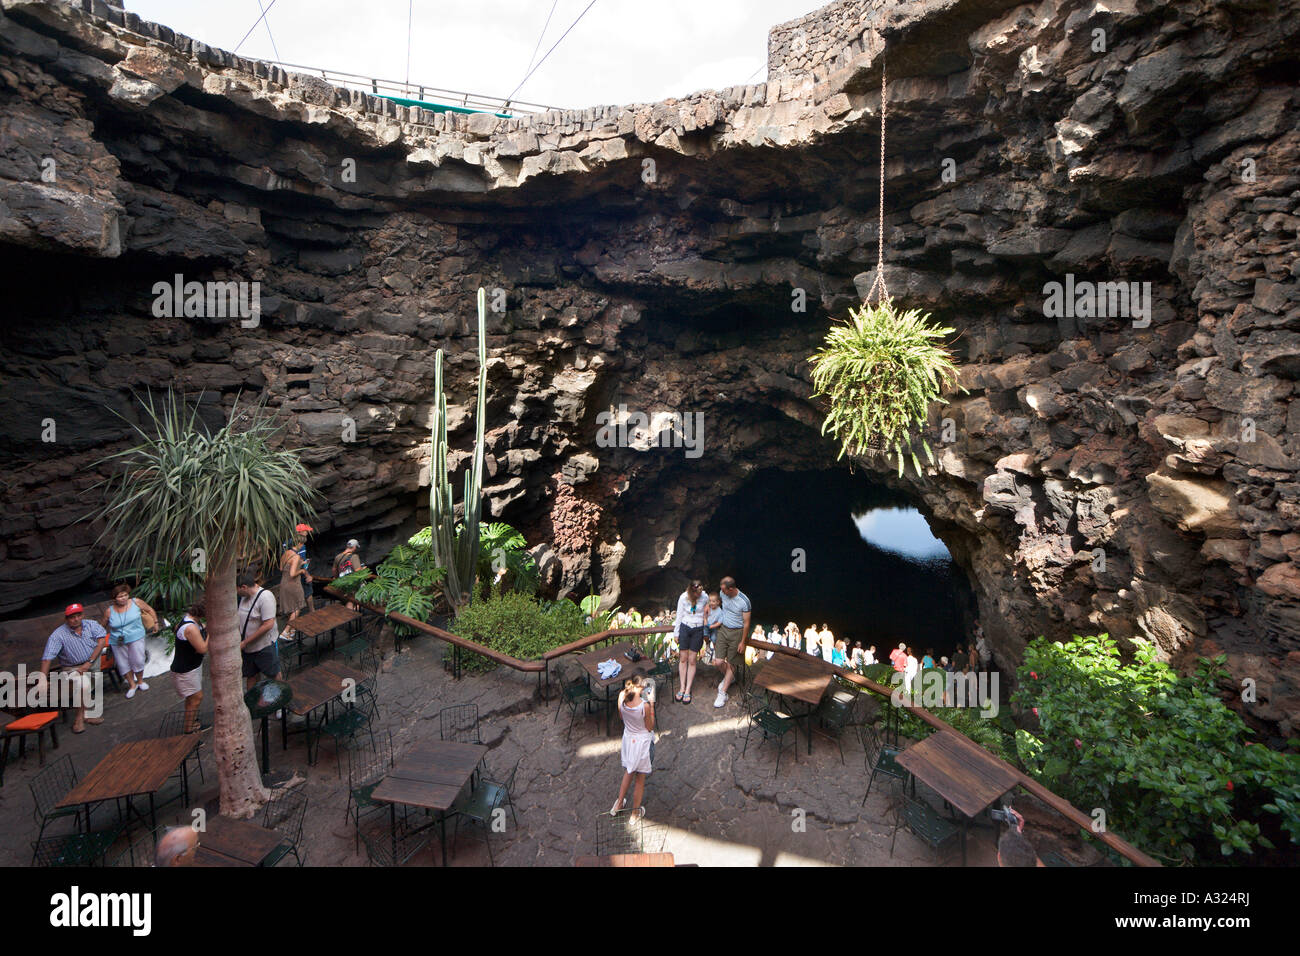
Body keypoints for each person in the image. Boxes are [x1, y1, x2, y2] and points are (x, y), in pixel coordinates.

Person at [40, 604, 109, 734]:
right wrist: (42, 678)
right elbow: (47, 657)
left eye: (78, 615)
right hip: (72, 667)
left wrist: (89, 663)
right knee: (83, 685)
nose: (76, 619)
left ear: (82, 615)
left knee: (90, 686)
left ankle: (88, 714)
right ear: (67, 619)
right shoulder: (58, 635)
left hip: (92, 662)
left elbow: (101, 642)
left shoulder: (91, 624)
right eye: (72, 617)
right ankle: (79, 718)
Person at [100, 584, 157, 699]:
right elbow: (103, 625)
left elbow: (149, 609)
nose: (124, 598)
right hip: (118, 640)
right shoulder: (109, 611)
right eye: (120, 596)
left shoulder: (136, 602)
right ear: (114, 598)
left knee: (138, 659)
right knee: (123, 663)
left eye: (125, 595)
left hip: (136, 636)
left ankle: (140, 681)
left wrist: (155, 622)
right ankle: (132, 685)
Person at [611, 675, 656, 815]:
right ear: (642, 685)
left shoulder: (621, 696)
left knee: (629, 771)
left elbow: (621, 716)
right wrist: (652, 705)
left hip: (629, 740)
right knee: (640, 779)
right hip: (642, 743)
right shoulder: (645, 706)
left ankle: (618, 804)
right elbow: (649, 727)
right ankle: (635, 814)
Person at [236, 572, 280, 690]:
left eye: (237, 590)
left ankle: (279, 702)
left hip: (263, 646)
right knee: (251, 675)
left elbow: (268, 624)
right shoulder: (243, 598)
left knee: (273, 674)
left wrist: (245, 642)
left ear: (244, 587)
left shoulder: (265, 597)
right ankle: (253, 703)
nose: (236, 593)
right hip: (248, 648)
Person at [713, 576, 751, 708]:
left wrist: (743, 642)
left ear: (731, 589)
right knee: (718, 661)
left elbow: (746, 624)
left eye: (724, 590)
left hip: (737, 632)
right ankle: (731, 678)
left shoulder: (744, 601)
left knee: (732, 664)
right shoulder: (722, 594)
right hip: (723, 630)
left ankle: (723, 693)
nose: (721, 592)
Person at [172, 599, 209, 733]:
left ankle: (191, 723)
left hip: (192, 666)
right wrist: (210, 632)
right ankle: (189, 730)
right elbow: (203, 648)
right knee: (196, 698)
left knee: (192, 698)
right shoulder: (190, 627)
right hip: (186, 670)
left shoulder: (193, 621)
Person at [672, 579, 708, 705]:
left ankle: (688, 690)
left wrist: (707, 631)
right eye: (697, 593)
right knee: (683, 658)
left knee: (692, 660)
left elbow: (707, 613)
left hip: (698, 629)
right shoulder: (683, 597)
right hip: (685, 627)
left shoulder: (705, 597)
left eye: (700, 592)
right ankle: (682, 687)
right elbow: (679, 615)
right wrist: (676, 633)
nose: (699, 595)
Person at [278, 533, 307, 640]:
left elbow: (281, 568)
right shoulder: (296, 556)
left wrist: (301, 562)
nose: (302, 546)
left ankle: (292, 630)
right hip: (293, 584)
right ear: (299, 543)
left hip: (284, 583)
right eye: (302, 544)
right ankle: (285, 631)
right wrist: (302, 570)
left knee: (292, 608)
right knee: (297, 608)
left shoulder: (285, 553)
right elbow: (292, 573)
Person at [294, 523, 315, 612]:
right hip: (299, 573)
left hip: (290, 574)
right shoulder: (300, 545)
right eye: (306, 531)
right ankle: (312, 612)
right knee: (308, 592)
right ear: (301, 532)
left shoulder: (287, 543)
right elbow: (299, 562)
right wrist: (307, 575)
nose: (307, 532)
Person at [703, 593, 722, 664]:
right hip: (707, 625)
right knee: (705, 635)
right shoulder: (708, 607)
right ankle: (707, 643)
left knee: (714, 639)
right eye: (710, 601)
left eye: (713, 601)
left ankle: (715, 652)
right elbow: (704, 614)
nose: (711, 603)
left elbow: (720, 622)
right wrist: (705, 620)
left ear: (718, 602)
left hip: (714, 626)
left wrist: (713, 626)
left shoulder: (720, 611)